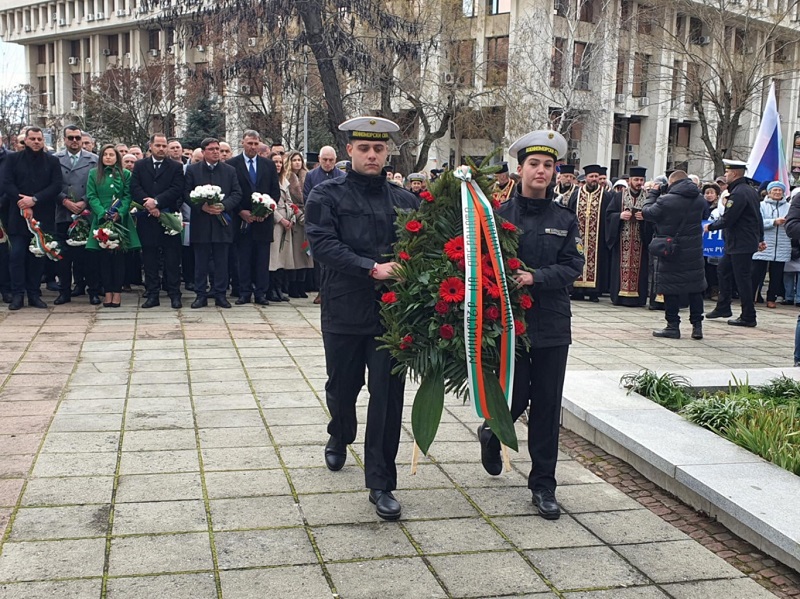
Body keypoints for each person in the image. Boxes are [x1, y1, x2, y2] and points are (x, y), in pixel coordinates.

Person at [306, 116, 419, 521]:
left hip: (392, 315)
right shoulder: (326, 195)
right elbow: (322, 244)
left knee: (387, 400)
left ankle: (381, 483)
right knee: (342, 385)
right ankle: (340, 430)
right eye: (364, 149)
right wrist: (371, 267)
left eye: (379, 149)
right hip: (344, 308)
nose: (372, 155)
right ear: (349, 151)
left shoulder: (405, 200)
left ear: (388, 152)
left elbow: (422, 247)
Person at [480, 130, 584, 520]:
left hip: (553, 324)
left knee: (546, 407)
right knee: (513, 399)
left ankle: (543, 485)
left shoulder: (564, 218)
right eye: (534, 164)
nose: (541, 171)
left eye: (548, 165)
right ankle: (492, 433)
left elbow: (574, 265)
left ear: (555, 172)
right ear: (519, 169)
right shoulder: (497, 217)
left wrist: (535, 277)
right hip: (510, 325)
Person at [2, 127, 63, 310]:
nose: (36, 142)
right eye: (33, 139)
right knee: (17, 255)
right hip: (18, 215)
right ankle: (18, 294)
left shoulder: (52, 161)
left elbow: (56, 185)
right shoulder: (13, 159)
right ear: (26, 141)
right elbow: (7, 183)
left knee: (37, 256)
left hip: (42, 215)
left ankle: (34, 294)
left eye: (39, 139)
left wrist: (35, 199)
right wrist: (23, 201)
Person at [642, 171, 707, 339]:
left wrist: (654, 193)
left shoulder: (666, 200)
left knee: (670, 287)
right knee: (695, 288)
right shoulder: (700, 199)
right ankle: (697, 326)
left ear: (672, 182)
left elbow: (647, 213)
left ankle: (673, 326)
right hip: (693, 250)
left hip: (672, 249)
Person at [705, 160, 765, 327]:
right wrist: (760, 238)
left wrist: (711, 226)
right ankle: (723, 307)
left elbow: (730, 217)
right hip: (738, 242)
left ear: (735, 174)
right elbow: (757, 217)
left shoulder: (739, 193)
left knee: (742, 278)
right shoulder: (749, 190)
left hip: (741, 242)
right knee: (723, 270)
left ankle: (748, 316)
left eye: (728, 173)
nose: (725, 175)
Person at [185, 138, 243, 309]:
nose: (216, 152)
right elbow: (186, 193)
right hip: (201, 223)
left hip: (222, 223)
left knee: (221, 262)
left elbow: (236, 193)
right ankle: (201, 295)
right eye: (211, 149)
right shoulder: (193, 170)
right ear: (203, 152)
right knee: (201, 262)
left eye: (217, 148)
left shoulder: (229, 170)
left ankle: (220, 295)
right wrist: (201, 206)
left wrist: (223, 206)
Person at [131, 133, 186, 310]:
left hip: (168, 216)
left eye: (164, 146)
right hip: (147, 217)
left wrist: (157, 202)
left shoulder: (175, 167)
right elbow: (135, 187)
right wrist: (148, 203)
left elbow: (177, 189)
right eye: (158, 146)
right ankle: (152, 293)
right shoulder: (140, 165)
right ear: (151, 147)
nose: (161, 149)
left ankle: (174, 294)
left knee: (172, 258)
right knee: (149, 258)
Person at [229, 130, 281, 305]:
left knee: (262, 259)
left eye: (255, 143)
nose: (252, 147)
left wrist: (266, 210)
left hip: (263, 221)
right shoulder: (232, 165)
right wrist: (240, 211)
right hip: (242, 220)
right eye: (249, 143)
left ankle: (261, 293)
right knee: (243, 258)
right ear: (243, 143)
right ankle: (244, 292)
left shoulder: (268, 165)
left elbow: (275, 191)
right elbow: (230, 192)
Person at [85, 145, 141, 307]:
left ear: (117, 157)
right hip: (101, 220)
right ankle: (107, 292)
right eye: (105, 155)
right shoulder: (94, 174)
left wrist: (120, 212)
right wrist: (101, 212)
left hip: (120, 221)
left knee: (118, 259)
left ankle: (117, 293)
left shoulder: (126, 174)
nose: (108, 157)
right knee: (103, 259)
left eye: (112, 154)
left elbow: (128, 195)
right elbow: (91, 195)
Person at [54, 125, 100, 306]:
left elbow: (98, 184)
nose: (74, 141)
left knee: (89, 257)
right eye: (71, 138)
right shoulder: (55, 159)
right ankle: (64, 291)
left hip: (86, 214)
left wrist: (84, 201)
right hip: (63, 213)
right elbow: (51, 185)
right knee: (63, 257)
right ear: (64, 140)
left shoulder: (94, 160)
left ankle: (93, 291)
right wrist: (64, 200)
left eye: (77, 138)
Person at [304, 146, 345, 304]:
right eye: (324, 160)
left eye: (331, 160)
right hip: (318, 221)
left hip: (336, 222)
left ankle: (334, 290)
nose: (328, 163)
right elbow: (307, 198)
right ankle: (321, 289)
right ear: (319, 160)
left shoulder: (342, 176)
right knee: (318, 260)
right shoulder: (311, 176)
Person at [605, 166, 650, 307]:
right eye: (636, 179)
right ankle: (619, 297)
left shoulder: (648, 197)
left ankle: (638, 298)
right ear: (629, 180)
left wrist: (645, 217)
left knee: (640, 269)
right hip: (622, 240)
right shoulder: (619, 196)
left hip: (640, 240)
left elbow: (655, 218)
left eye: (641, 180)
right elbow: (608, 215)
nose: (639, 182)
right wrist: (619, 216)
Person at [568, 164, 610, 301]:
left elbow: (609, 216)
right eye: (591, 176)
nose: (594, 179)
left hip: (598, 237)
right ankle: (577, 290)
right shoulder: (576, 195)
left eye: (596, 177)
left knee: (597, 261)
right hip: (578, 236)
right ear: (585, 178)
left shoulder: (606, 196)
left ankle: (594, 291)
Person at [751, 181, 791, 309]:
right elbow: (757, 222)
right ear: (769, 192)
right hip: (764, 242)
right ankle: (752, 296)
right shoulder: (761, 205)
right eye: (775, 190)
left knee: (777, 274)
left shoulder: (789, 207)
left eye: (780, 190)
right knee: (756, 272)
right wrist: (773, 222)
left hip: (782, 244)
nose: (777, 193)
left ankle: (771, 298)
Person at [267, 151, 295, 302]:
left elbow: (289, 201)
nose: (277, 165)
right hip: (275, 222)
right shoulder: (268, 179)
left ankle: (279, 288)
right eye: (275, 162)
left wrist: (292, 216)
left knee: (282, 258)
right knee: (274, 258)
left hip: (286, 220)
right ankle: (270, 289)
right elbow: (268, 203)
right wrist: (280, 219)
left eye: (280, 162)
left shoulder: (284, 181)